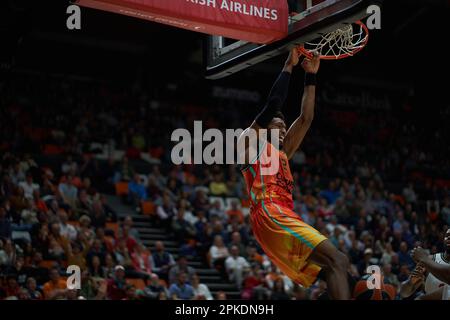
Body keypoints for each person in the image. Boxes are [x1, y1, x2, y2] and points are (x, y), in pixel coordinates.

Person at [238, 48, 351, 299]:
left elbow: (306, 118)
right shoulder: (249, 145)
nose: (281, 130)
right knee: (338, 260)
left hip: (281, 217)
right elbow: (273, 104)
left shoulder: (282, 155)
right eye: (276, 126)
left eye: (283, 127)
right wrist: (289, 66)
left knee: (338, 270)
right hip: (270, 213)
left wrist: (310, 76)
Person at [400, 228, 450, 299]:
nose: (449, 237)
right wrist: (411, 283)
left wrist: (423, 257)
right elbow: (403, 293)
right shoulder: (431, 259)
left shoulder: (426, 260)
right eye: (447, 235)